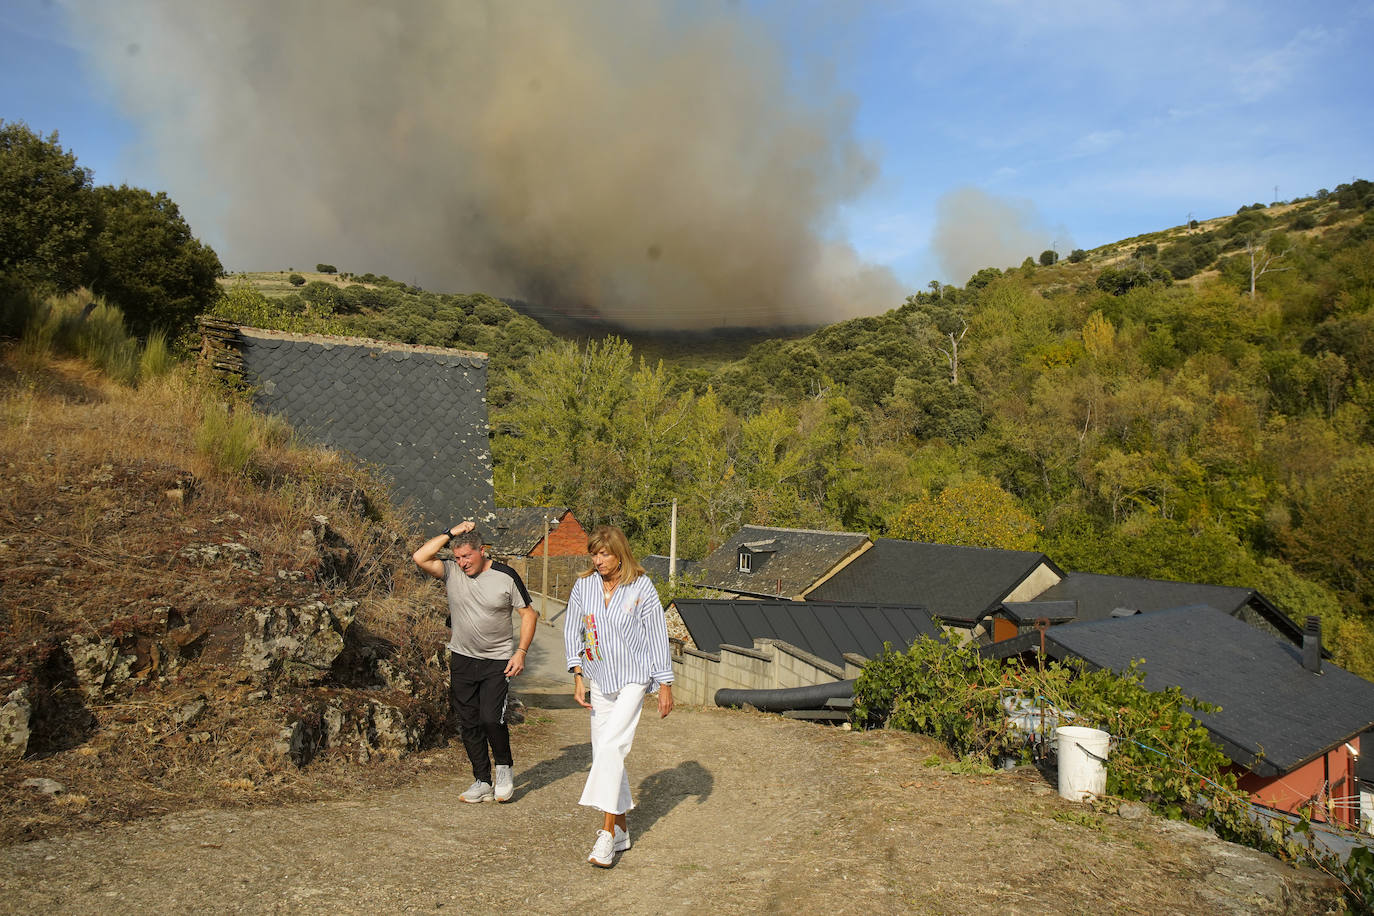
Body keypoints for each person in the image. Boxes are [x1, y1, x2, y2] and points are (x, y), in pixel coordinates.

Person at [563, 525, 674, 868]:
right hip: (599, 679)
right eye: (594, 554)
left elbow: (657, 634)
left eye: (604, 554)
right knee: (605, 753)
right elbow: (574, 630)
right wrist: (578, 675)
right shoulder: (584, 586)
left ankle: (606, 834)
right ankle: (623, 829)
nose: (598, 561)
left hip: (633, 679)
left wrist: (665, 683)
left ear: (619, 553)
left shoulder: (641, 588)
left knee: (612, 748)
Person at [413, 520, 537, 804]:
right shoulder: (452, 572)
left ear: (482, 551)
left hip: (497, 661)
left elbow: (529, 615)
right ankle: (482, 780)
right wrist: (451, 533)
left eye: (467, 556)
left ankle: (504, 769)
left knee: (491, 719)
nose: (462, 562)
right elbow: (420, 557)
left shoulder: (506, 576)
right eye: (457, 557)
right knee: (468, 723)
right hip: (462, 659)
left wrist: (521, 652)